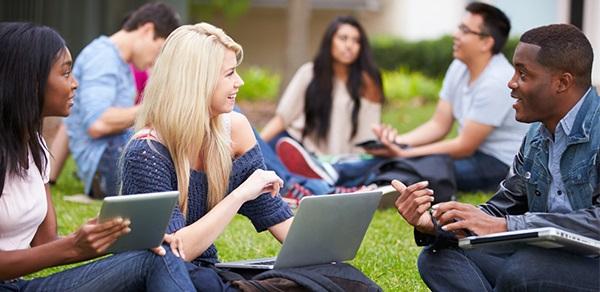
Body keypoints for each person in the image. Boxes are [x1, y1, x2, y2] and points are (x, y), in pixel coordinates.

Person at [393, 23, 599, 291]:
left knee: (527, 268)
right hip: (543, 260)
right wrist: (433, 224)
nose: (511, 83)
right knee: (440, 257)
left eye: (523, 74)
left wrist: (506, 225)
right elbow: (499, 210)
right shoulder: (537, 135)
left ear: (562, 82)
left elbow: (504, 223)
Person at [0, 22, 195, 291]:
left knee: (156, 253)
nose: (75, 83)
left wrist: (110, 236)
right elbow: (59, 250)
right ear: (30, 82)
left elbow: (45, 244)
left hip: (17, 284)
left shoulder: (35, 148)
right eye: (65, 73)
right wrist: (71, 248)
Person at [120, 22, 292, 290]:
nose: (240, 82)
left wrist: (320, 254)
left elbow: (272, 212)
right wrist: (239, 194)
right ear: (196, 81)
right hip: (162, 278)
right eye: (229, 74)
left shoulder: (235, 128)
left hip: (207, 272)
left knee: (327, 277)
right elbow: (176, 252)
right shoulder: (146, 152)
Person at [370, 2, 529, 192]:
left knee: (414, 167)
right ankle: (342, 173)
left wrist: (404, 154)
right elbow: (439, 124)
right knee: (402, 161)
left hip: (498, 163)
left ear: (486, 42)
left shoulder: (497, 80)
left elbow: (464, 146)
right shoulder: (459, 66)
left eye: (464, 30)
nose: (455, 34)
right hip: (473, 154)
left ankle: (367, 184)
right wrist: (397, 143)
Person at [65, 2, 180, 199]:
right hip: (105, 162)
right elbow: (97, 122)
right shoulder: (103, 56)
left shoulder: (122, 62)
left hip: (114, 154)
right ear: (147, 30)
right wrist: (157, 107)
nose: (156, 60)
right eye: (159, 49)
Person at [260, 15, 384, 156]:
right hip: (299, 149)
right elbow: (283, 119)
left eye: (356, 41)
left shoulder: (368, 82)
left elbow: (369, 133)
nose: (349, 45)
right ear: (329, 41)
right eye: (343, 38)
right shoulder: (309, 73)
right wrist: (253, 149)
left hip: (342, 163)